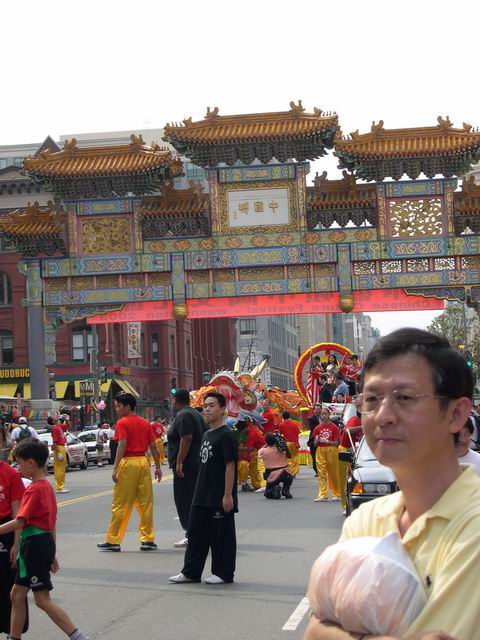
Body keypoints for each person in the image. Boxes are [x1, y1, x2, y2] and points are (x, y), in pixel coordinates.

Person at [304, 328, 477, 640]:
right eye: (371, 399)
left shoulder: (474, 526)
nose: (383, 416)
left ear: (456, 414)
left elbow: (322, 631)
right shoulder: (365, 520)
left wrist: (335, 634)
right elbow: (313, 630)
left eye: (405, 398)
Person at [0, 438, 88, 640]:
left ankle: (78, 636)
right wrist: (52, 552)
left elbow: (20, 521)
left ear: (30, 463)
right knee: (16, 595)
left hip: (34, 545)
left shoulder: (34, 489)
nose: (18, 468)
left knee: (41, 599)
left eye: (20, 463)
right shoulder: (46, 487)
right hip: (39, 543)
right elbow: (51, 523)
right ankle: (14, 637)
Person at [169, 392, 238, 585]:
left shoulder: (226, 435)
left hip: (218, 495)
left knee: (221, 537)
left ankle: (223, 573)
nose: (207, 409)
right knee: (195, 534)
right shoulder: (207, 434)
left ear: (222, 409)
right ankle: (191, 572)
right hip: (201, 494)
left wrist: (228, 495)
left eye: (212, 405)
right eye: (206, 406)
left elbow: (230, 466)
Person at [97, 392, 161, 552]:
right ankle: (148, 540)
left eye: (118, 406)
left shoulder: (122, 422)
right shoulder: (145, 423)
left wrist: (115, 467)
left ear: (127, 407)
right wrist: (158, 467)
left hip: (128, 463)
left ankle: (113, 540)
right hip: (143, 463)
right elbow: (153, 446)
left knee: (120, 503)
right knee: (146, 503)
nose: (117, 409)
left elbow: (122, 444)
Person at [167, 389, 207, 548]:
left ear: (177, 400)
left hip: (188, 465)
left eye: (172, 400)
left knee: (185, 500)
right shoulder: (195, 414)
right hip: (195, 463)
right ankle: (198, 533)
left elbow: (187, 438)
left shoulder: (184, 415)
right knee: (193, 499)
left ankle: (191, 534)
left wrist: (179, 461)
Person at [0, 424, 27, 636]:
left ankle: (12, 632)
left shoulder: (10, 474)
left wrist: (16, 544)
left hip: (6, 534)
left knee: (6, 588)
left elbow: (18, 514)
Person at [312, 407, 340, 502]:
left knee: (333, 473)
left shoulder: (334, 427)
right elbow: (315, 444)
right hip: (320, 450)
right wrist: (316, 441)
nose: (323, 416)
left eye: (325, 414)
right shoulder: (317, 428)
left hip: (332, 450)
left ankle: (336, 493)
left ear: (329, 415)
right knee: (321, 473)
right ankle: (323, 494)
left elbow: (336, 443)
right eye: (322, 414)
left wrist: (328, 441)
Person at [338, 410, 363, 515]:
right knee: (345, 480)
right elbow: (348, 431)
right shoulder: (354, 420)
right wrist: (363, 427)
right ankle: (345, 506)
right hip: (345, 450)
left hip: (358, 452)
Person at [258, 432, 294, 499]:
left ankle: (273, 490)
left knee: (267, 493)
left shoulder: (263, 451)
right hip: (286, 473)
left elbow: (259, 456)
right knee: (288, 478)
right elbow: (289, 456)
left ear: (266, 442)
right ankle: (285, 490)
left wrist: (265, 445)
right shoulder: (282, 449)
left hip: (272, 474)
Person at [236, 420, 265, 491]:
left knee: (253, 466)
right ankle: (256, 484)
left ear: (245, 428)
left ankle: (258, 484)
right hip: (258, 449)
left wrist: (238, 448)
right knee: (252, 466)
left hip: (260, 450)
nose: (241, 432)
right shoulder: (250, 426)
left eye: (241, 431)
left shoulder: (251, 435)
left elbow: (248, 449)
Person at [278, 411, 301, 476]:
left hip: (287, 443)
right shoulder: (294, 424)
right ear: (289, 416)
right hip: (294, 443)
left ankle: (290, 471)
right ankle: (294, 471)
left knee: (288, 457)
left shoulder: (281, 425)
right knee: (295, 457)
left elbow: (280, 434)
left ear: (283, 417)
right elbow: (298, 433)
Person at [51, 418, 69, 494]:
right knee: (59, 468)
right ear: (53, 421)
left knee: (62, 468)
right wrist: (59, 452)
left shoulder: (60, 426)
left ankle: (61, 485)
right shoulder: (55, 429)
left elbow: (68, 426)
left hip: (62, 447)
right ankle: (59, 487)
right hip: (58, 447)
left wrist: (66, 419)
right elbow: (54, 442)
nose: (57, 417)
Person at [307, 404, 322, 477]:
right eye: (316, 409)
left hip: (323, 439)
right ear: (314, 410)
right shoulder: (311, 419)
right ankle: (317, 471)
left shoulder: (324, 417)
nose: (318, 411)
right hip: (314, 439)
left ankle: (322, 470)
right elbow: (312, 428)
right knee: (314, 456)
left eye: (319, 409)